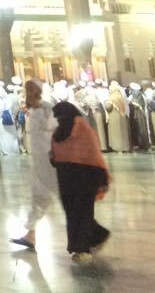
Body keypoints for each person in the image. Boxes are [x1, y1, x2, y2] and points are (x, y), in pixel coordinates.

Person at [50, 101, 110, 263]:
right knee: (76, 213)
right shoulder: (61, 132)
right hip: (71, 178)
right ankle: (98, 235)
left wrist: (102, 178)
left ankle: (82, 249)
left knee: (80, 213)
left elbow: (93, 156)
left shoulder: (80, 130)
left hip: (84, 177)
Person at [11, 79, 57, 251]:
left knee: (61, 197)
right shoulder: (33, 109)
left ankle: (89, 234)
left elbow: (54, 128)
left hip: (49, 159)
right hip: (38, 159)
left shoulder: (46, 108)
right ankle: (30, 235)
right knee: (39, 197)